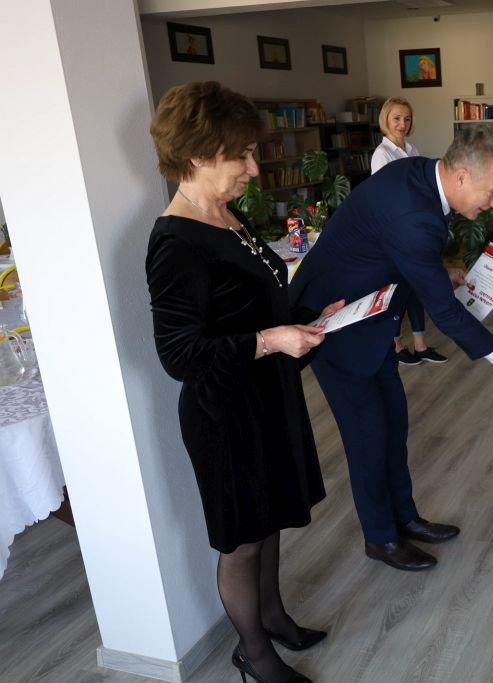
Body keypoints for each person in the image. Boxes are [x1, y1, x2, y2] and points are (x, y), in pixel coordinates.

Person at [146, 81, 345, 683]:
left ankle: (274, 617)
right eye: (242, 155)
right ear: (198, 154)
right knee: (243, 541)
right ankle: (253, 655)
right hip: (224, 413)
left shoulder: (227, 216)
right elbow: (179, 355)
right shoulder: (175, 240)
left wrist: (309, 321)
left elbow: (252, 307)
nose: (254, 170)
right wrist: (271, 341)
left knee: (269, 517)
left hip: (265, 396)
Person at [290, 125, 493, 572]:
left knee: (394, 423)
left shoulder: (420, 175)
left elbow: (397, 247)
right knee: (368, 435)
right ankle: (380, 538)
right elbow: (444, 312)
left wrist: (436, 272)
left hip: (371, 318)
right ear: (461, 176)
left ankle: (404, 518)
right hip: (335, 324)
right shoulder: (414, 214)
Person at [370, 97, 446, 367]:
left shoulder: (412, 149)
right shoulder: (382, 154)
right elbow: (385, 196)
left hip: (414, 227)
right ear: (386, 120)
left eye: (407, 119)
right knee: (398, 290)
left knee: (415, 286)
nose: (402, 124)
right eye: (396, 118)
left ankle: (421, 345)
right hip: (394, 231)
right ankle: (397, 345)